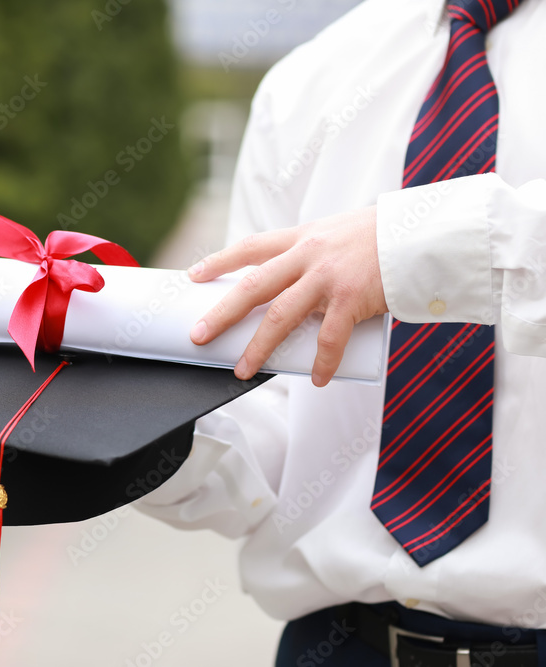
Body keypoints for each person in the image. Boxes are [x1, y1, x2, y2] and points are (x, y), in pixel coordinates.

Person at [136, 0, 546, 665]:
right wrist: (127, 434)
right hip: (340, 646)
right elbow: (274, 415)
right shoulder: (311, 78)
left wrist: (414, 249)